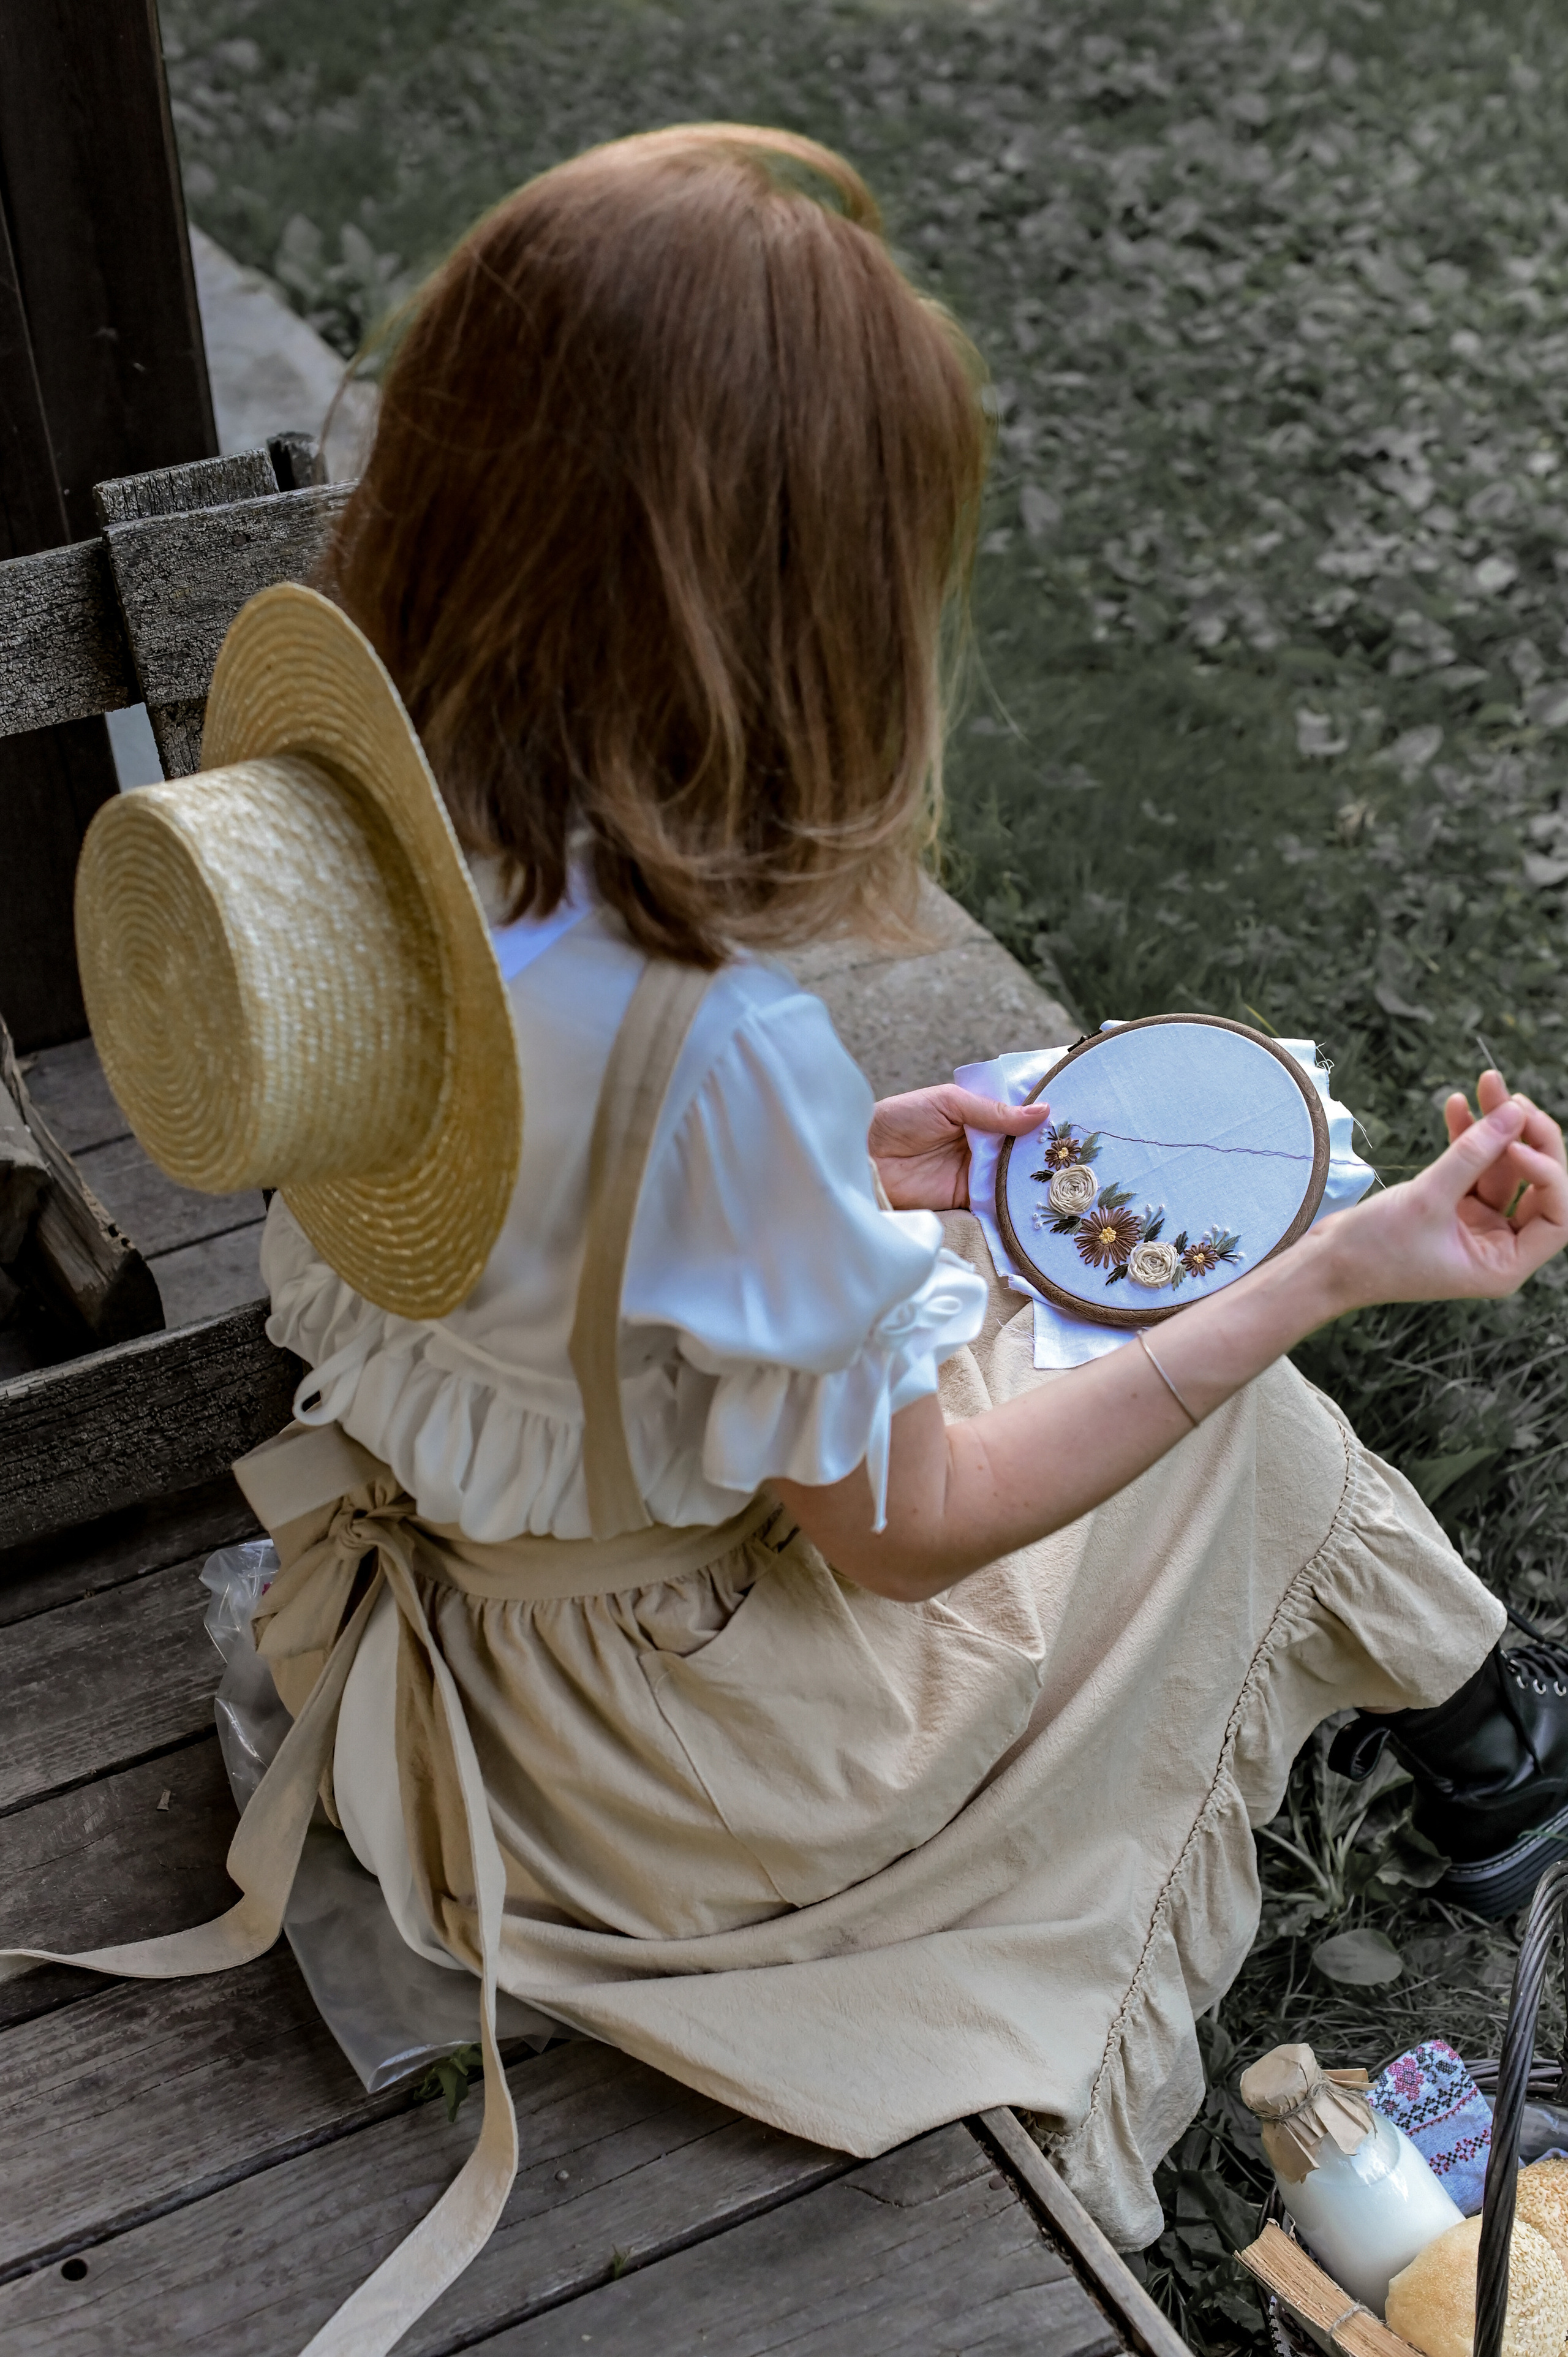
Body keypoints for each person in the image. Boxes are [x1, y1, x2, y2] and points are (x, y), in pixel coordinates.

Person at [45, 119, 1568, 2350]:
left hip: (457, 1638)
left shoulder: (353, 854)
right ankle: (1495, 1760)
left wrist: (843, 1167)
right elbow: (904, 1534)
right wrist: (1315, 1271)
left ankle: (1483, 1732)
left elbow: (531, 1229)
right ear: (794, 621)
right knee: (1237, 1426)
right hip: (650, 1770)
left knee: (1030, 1325)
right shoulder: (709, 1053)